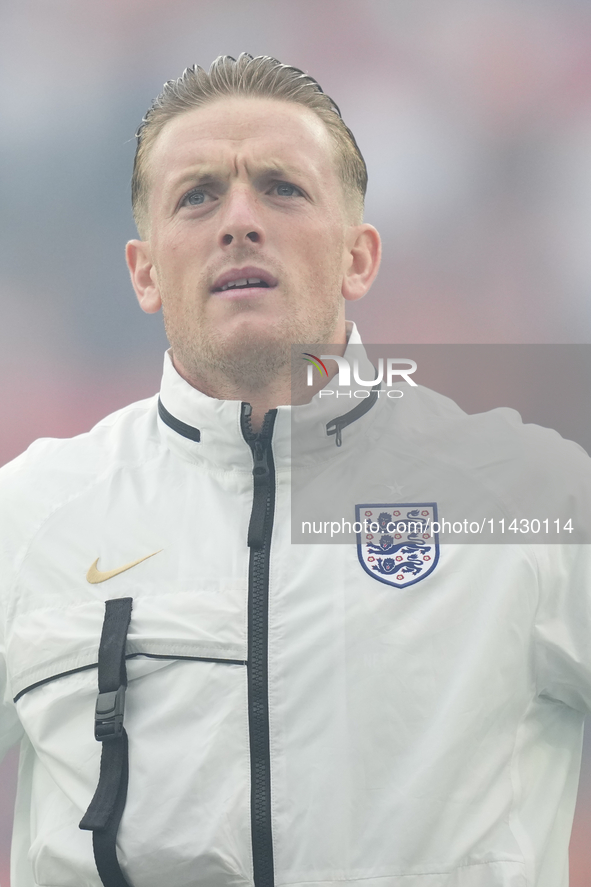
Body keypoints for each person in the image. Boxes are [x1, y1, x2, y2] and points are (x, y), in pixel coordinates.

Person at [1, 52, 591, 887]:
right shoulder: (29, 514)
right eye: (197, 195)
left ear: (358, 256)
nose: (239, 219)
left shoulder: (528, 496)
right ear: (143, 272)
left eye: (281, 187)